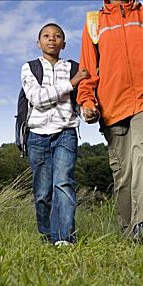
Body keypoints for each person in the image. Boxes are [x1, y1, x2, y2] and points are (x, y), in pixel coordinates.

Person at [77, 0, 143, 241]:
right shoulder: (94, 22)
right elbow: (87, 69)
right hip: (112, 106)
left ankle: (141, 225)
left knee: (142, 158)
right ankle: (128, 234)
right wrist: (87, 102)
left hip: (141, 102)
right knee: (123, 174)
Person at [21, 23, 89, 246]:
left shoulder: (73, 67)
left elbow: (80, 102)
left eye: (57, 36)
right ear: (38, 43)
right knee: (42, 192)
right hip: (37, 136)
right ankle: (47, 236)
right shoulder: (29, 68)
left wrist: (89, 111)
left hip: (66, 133)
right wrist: (71, 83)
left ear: (64, 43)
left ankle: (64, 239)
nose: (52, 39)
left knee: (63, 183)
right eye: (47, 36)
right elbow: (37, 99)